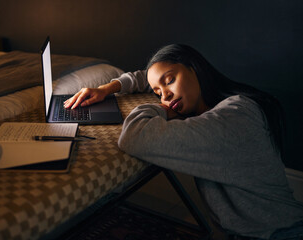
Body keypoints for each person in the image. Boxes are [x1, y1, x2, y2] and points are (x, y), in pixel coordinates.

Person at [64, 44, 303, 239]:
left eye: (169, 81)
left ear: (195, 68)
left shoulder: (234, 117)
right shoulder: (227, 103)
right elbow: (145, 77)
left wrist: (158, 108)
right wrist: (106, 88)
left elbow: (136, 136)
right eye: (158, 92)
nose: (164, 96)